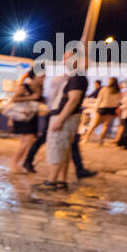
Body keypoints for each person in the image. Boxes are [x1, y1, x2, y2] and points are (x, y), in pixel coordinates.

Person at [23, 56, 96, 179]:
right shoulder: (67, 79)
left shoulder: (74, 78)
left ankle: (65, 176)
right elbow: (67, 100)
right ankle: (55, 178)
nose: (64, 61)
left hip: (60, 115)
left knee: (67, 145)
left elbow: (71, 100)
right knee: (58, 145)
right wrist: (58, 118)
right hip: (57, 115)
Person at [35, 49, 88, 192]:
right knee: (64, 149)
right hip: (65, 117)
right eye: (65, 58)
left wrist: (60, 120)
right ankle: (61, 180)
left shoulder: (77, 76)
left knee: (57, 148)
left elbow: (73, 100)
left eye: (69, 58)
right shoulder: (73, 76)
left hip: (64, 118)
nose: (65, 61)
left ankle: (51, 181)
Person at [7, 67, 43, 170]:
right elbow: (14, 99)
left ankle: (17, 163)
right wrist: (30, 98)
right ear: (34, 76)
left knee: (26, 141)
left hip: (32, 117)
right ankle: (14, 162)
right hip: (22, 116)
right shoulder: (24, 87)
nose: (43, 79)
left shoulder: (40, 88)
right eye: (41, 76)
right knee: (28, 140)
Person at [85, 77, 122, 144]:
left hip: (103, 108)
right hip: (111, 109)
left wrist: (96, 108)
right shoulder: (118, 91)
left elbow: (100, 99)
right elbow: (119, 101)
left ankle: (86, 138)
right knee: (106, 126)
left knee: (94, 124)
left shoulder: (104, 89)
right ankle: (101, 140)